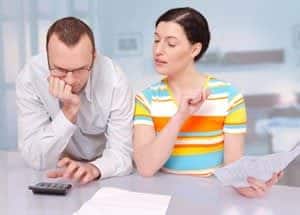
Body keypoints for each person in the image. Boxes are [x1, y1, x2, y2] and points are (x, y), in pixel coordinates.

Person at [133, 7, 283, 198]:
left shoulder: (229, 97)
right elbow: (146, 168)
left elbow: (233, 167)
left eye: (170, 43)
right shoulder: (146, 99)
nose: (158, 50)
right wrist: (180, 117)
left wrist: (247, 186)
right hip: (162, 197)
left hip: (213, 198)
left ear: (195, 49)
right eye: (156, 40)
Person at [16, 17, 133, 184]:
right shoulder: (30, 78)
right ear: (47, 57)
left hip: (103, 175)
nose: (70, 80)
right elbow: (35, 158)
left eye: (79, 69)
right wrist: (68, 112)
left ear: (94, 57)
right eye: (60, 70)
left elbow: (122, 154)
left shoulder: (115, 81)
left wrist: (95, 168)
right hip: (57, 171)